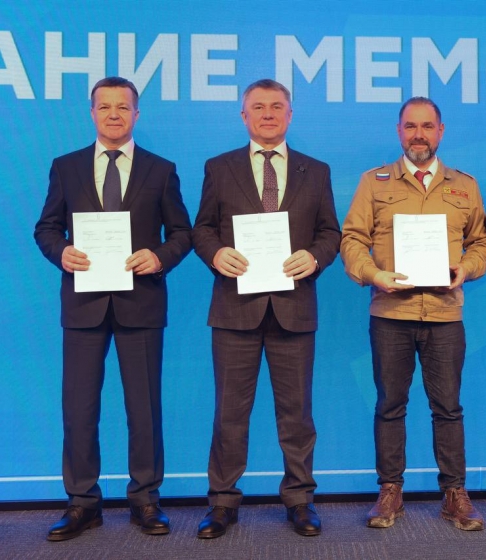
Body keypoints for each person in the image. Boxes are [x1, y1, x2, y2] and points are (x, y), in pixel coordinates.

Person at [34, 77, 192, 541]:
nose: (114, 114)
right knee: (79, 408)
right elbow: (46, 228)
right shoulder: (66, 167)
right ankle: (82, 502)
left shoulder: (161, 170)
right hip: (83, 304)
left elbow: (182, 233)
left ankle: (145, 499)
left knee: (144, 408)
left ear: (136, 114)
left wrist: (159, 257)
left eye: (123, 107)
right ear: (92, 113)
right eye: (105, 107)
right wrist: (61, 251)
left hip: (140, 303)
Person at [191, 79, 340, 538]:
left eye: (277, 106)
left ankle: (300, 499)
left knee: (297, 414)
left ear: (290, 115)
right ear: (244, 116)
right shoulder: (219, 167)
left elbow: (330, 233)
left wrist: (314, 257)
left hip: (294, 307)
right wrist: (216, 253)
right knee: (229, 414)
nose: (268, 114)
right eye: (258, 107)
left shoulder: (316, 170)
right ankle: (222, 502)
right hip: (234, 309)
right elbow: (202, 229)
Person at [341, 97, 486, 531]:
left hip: (445, 315)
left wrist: (466, 269)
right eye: (411, 126)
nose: (419, 135)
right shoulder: (373, 182)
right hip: (391, 313)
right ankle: (390, 490)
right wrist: (373, 274)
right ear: (399, 131)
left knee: (448, 408)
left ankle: (454, 494)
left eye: (427, 126)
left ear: (441, 131)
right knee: (390, 404)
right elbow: (351, 239)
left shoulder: (464, 185)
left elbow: (482, 242)